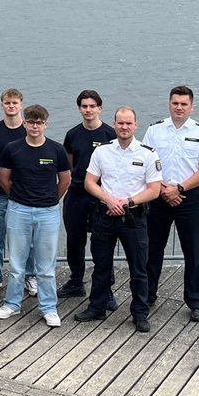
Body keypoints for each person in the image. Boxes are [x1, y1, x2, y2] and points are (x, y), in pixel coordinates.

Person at [76, 107, 162, 332]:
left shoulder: (147, 153)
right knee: (101, 266)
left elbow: (154, 190)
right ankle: (97, 307)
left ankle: (140, 313)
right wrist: (109, 200)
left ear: (136, 125)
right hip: (104, 216)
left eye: (128, 123)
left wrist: (127, 203)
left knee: (139, 268)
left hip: (134, 218)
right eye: (120, 123)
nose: (124, 127)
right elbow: (90, 182)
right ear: (114, 124)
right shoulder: (102, 152)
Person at [143, 85, 199, 322]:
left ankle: (196, 302)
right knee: (152, 249)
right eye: (175, 103)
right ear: (169, 104)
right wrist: (165, 189)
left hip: (189, 197)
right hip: (158, 195)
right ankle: (146, 295)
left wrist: (179, 188)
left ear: (191, 106)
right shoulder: (155, 131)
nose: (179, 107)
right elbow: (145, 163)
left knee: (192, 251)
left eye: (184, 104)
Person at [0, 104, 69, 328]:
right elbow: (3, 178)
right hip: (18, 210)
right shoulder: (12, 148)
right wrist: (18, 198)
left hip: (48, 212)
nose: (35, 126)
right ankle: (12, 304)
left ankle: (48, 307)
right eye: (31, 122)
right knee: (17, 263)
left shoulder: (56, 150)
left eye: (39, 122)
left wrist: (50, 200)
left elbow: (64, 180)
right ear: (24, 123)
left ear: (45, 124)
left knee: (45, 265)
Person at [59, 90, 117, 300]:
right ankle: (76, 281)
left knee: (104, 242)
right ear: (79, 109)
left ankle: (106, 289)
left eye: (92, 106)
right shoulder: (73, 135)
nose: (88, 110)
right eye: (84, 106)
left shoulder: (110, 134)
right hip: (76, 195)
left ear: (100, 108)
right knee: (75, 241)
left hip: (102, 195)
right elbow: (69, 165)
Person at [0, 88, 27, 296]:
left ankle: (30, 275)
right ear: (2, 105)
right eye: (7, 103)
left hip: (25, 196)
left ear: (21, 105)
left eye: (15, 103)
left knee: (28, 238)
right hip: (0, 194)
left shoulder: (28, 130)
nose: (11, 106)